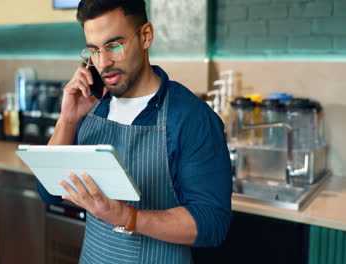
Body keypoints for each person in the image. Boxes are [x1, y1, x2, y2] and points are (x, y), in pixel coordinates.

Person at [38, 0, 232, 262]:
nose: (103, 63)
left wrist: (127, 217)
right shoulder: (91, 108)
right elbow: (49, 192)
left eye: (114, 46)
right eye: (93, 50)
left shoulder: (191, 117)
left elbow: (212, 224)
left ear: (145, 36)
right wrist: (68, 120)